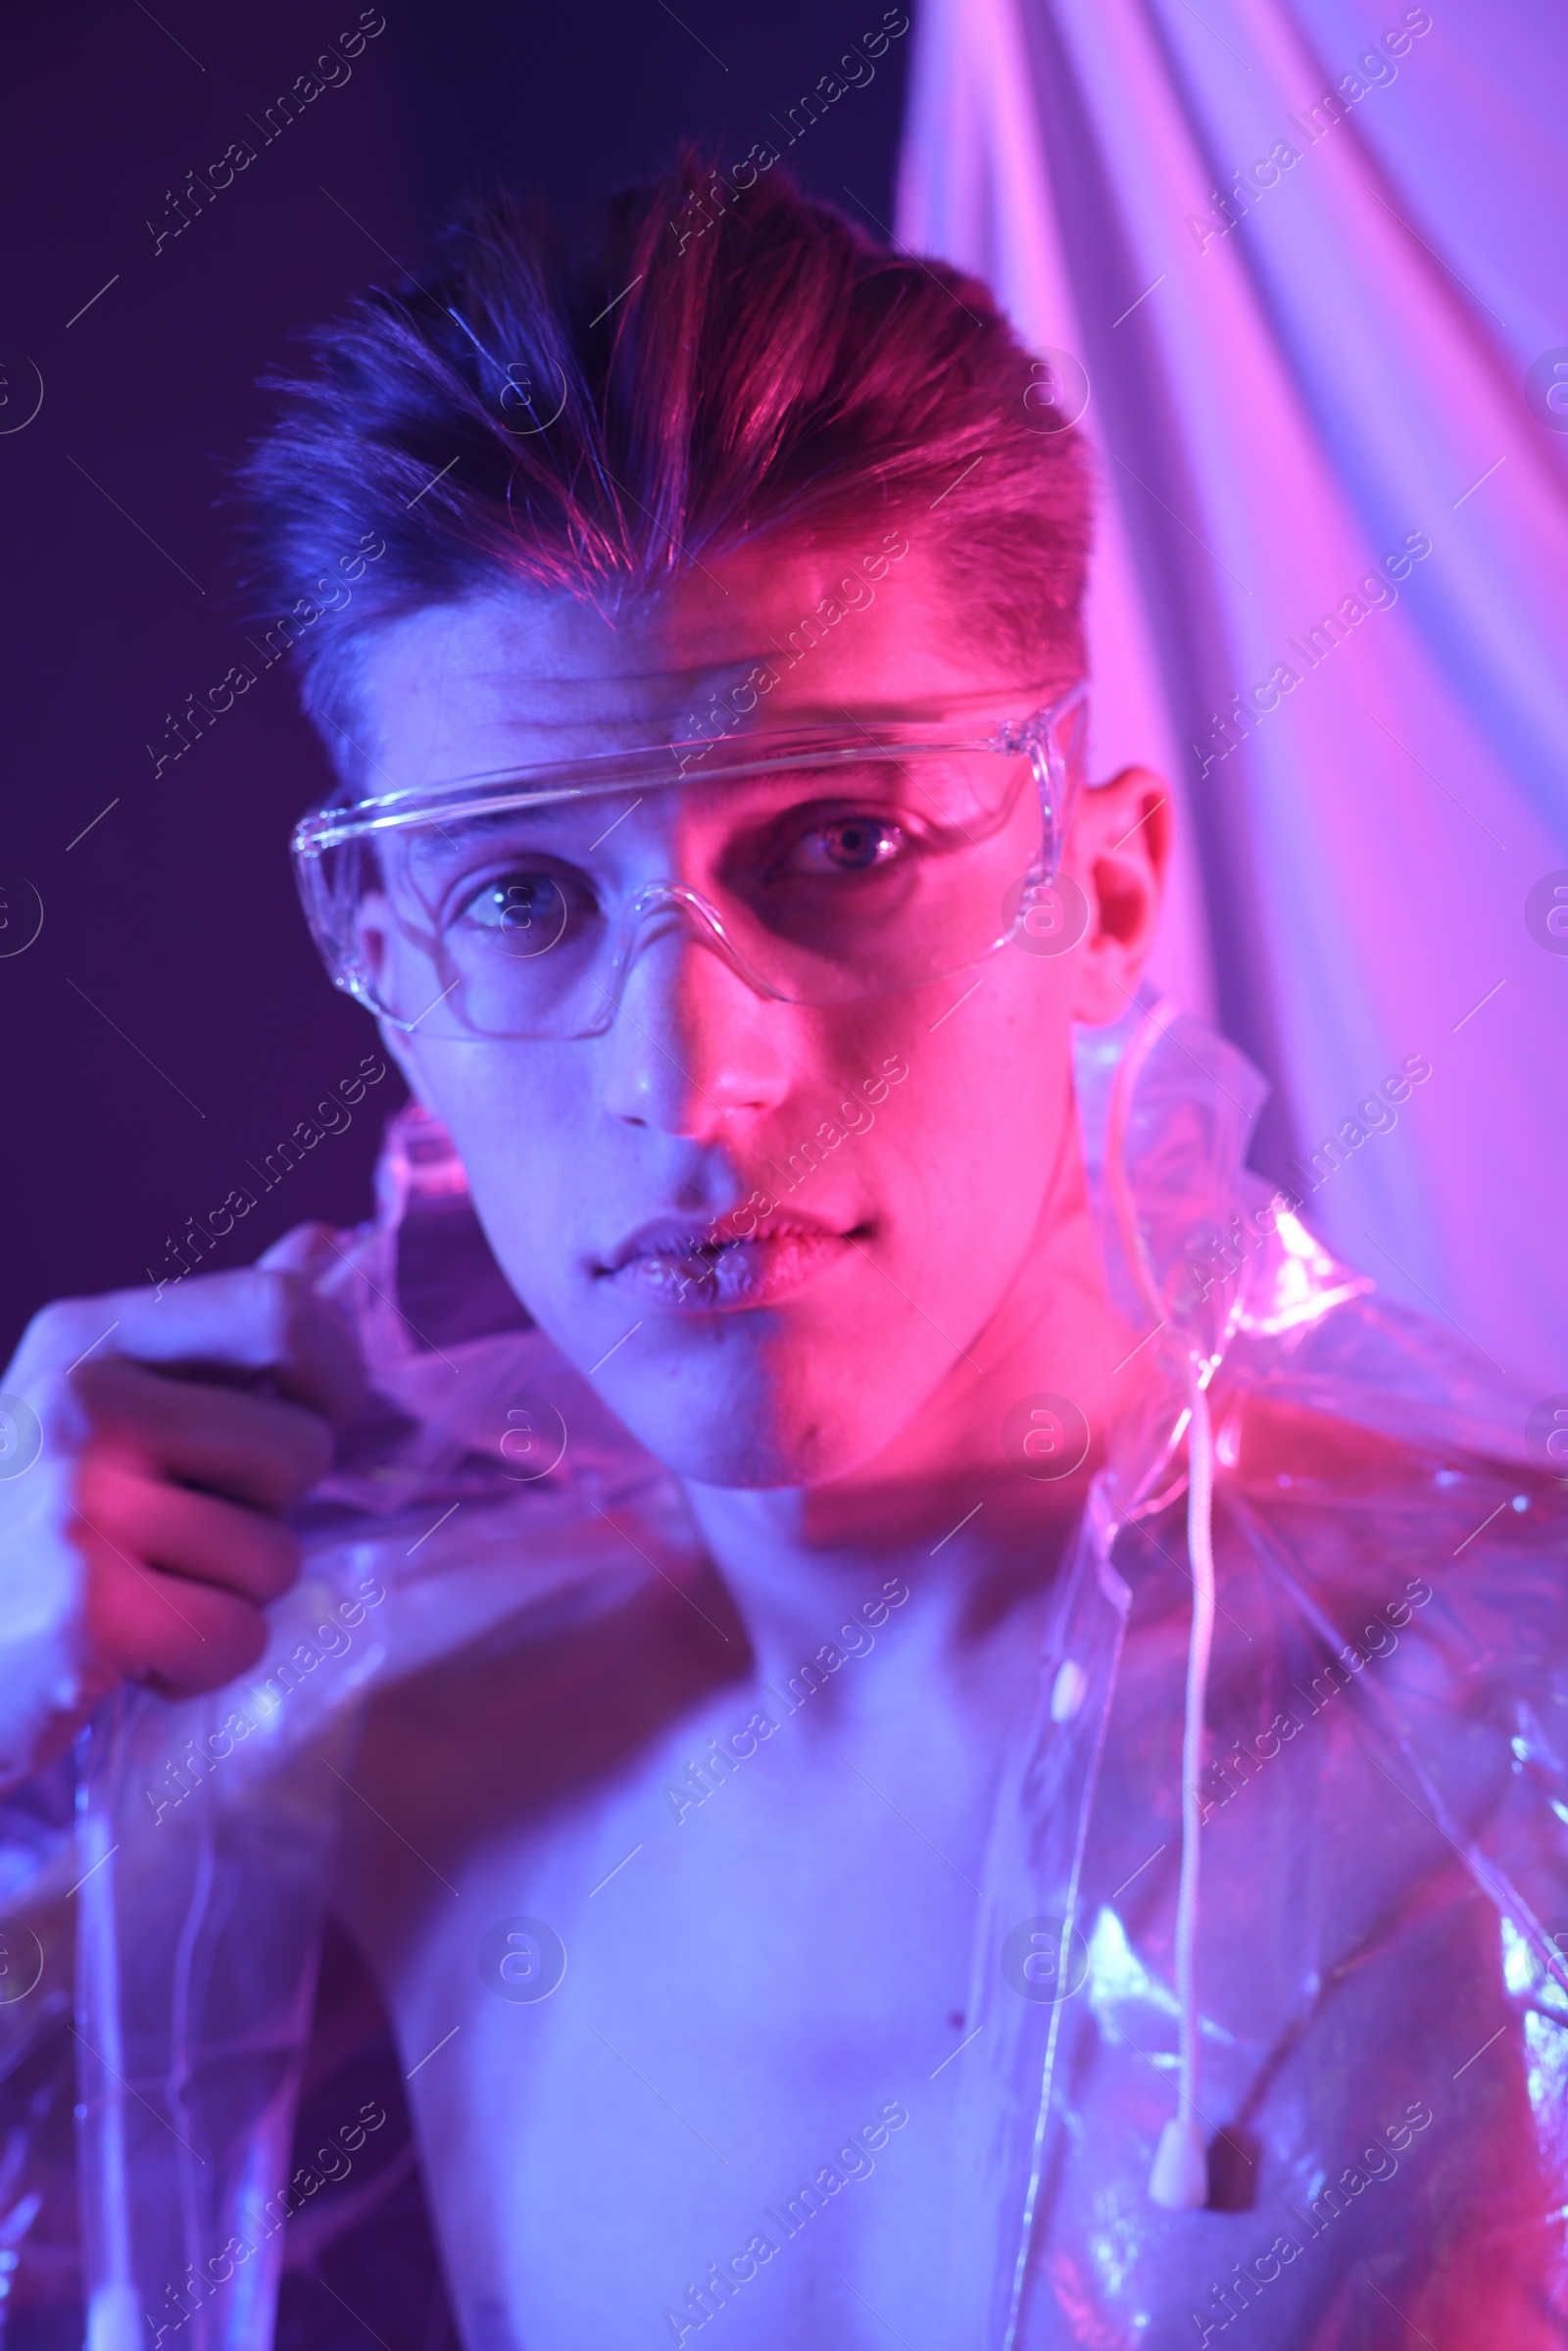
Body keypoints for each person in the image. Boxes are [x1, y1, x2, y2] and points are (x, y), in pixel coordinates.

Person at [1, 157, 1564, 2351]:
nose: (690, 1079)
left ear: (1099, 895)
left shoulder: (1510, 1739)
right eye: (523, 898)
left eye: (841, 844)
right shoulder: (410, 1783)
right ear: (377, 955)